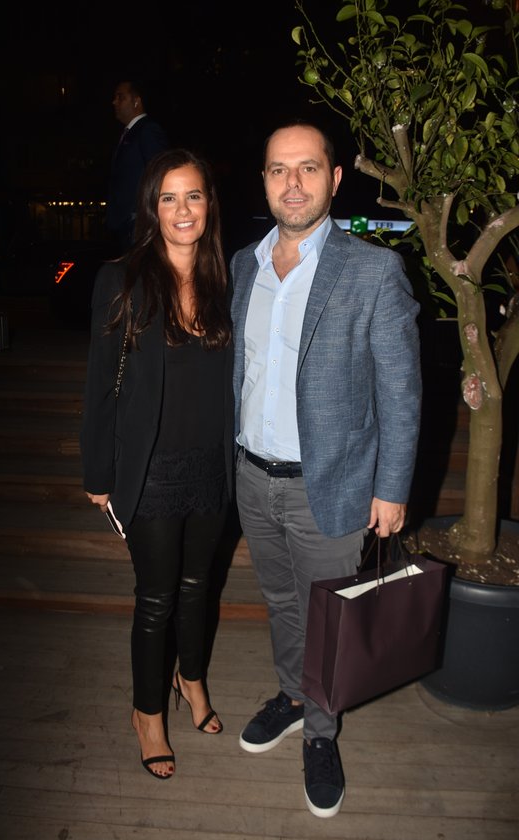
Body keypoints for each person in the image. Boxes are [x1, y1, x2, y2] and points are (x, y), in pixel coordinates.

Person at [230, 120, 422, 818]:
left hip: (331, 486)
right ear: (263, 180)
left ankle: (320, 731)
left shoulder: (372, 270)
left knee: (329, 620)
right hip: (253, 478)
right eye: (278, 169)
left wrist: (391, 489)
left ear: (335, 179)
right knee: (282, 604)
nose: (293, 183)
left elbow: (401, 392)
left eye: (308, 168)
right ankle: (292, 696)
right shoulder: (243, 265)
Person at [81, 148, 234, 780]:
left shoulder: (227, 278)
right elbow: (100, 384)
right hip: (150, 470)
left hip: (211, 466)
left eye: (193, 195)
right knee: (156, 599)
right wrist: (98, 474)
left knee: (199, 588)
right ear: (152, 207)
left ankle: (190, 678)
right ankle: (147, 714)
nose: (182, 209)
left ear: (208, 204)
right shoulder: (122, 279)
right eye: (168, 198)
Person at [106, 78, 169, 252]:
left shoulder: (147, 130)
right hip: (127, 224)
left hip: (139, 224)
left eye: (120, 97)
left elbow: (160, 173)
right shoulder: (129, 133)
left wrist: (143, 215)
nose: (114, 102)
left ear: (136, 101)